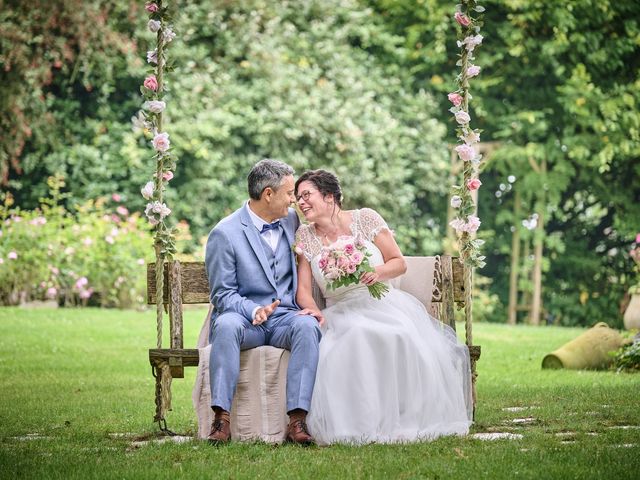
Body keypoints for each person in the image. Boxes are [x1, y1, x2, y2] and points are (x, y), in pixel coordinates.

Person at [294, 169, 472, 445]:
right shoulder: (305, 236)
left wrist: (376, 273)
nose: (301, 202)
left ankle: (403, 417)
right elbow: (303, 291)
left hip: (381, 301)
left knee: (399, 334)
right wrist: (313, 310)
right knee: (354, 336)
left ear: (329, 196)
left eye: (307, 195)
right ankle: (358, 424)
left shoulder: (366, 218)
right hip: (340, 311)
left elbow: (398, 262)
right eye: (297, 198)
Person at [204, 159, 323, 445]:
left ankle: (297, 420)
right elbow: (222, 294)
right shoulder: (225, 233)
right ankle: (221, 418)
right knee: (225, 325)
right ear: (268, 194)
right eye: (289, 193)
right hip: (246, 321)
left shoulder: (291, 220)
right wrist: (253, 309)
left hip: (283, 318)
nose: (293, 200)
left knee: (307, 326)